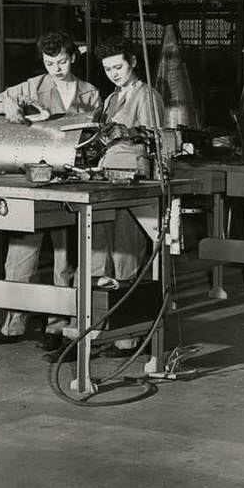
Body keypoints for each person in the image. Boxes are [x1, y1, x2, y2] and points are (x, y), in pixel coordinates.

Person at [0, 30, 102, 348]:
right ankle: (13, 324)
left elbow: (97, 135)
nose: (55, 68)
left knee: (65, 258)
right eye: (49, 62)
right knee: (20, 256)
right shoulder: (34, 86)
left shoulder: (90, 93)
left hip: (73, 183)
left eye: (60, 61)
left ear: (72, 58)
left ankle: (57, 327)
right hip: (35, 180)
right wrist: (8, 107)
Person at [48, 36, 165, 362]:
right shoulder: (112, 98)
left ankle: (126, 338)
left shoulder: (147, 96)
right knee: (97, 261)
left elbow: (160, 138)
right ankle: (91, 333)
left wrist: (127, 133)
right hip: (105, 184)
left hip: (134, 186)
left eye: (118, 67)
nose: (113, 73)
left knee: (125, 258)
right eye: (108, 69)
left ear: (133, 63)